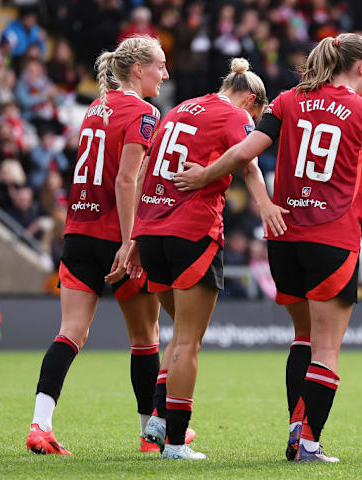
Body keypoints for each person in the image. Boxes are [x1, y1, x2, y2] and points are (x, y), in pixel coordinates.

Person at [174, 33, 362, 463]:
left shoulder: (286, 101)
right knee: (326, 347)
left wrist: (203, 174)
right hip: (332, 237)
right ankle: (306, 442)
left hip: (284, 237)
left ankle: (295, 433)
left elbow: (242, 152)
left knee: (302, 337)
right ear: (361, 66)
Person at [25, 35, 169, 455]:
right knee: (145, 338)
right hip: (113, 236)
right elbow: (126, 180)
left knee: (70, 332)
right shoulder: (144, 112)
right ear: (138, 68)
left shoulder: (96, 106)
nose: (165, 73)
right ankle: (149, 436)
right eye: (160, 64)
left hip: (77, 231)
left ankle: (40, 425)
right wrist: (130, 242)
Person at [129, 57, 280, 460]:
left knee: (179, 334)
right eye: (257, 115)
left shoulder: (179, 108)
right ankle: (176, 443)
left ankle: (160, 419)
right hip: (192, 230)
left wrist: (133, 236)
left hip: (152, 231)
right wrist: (264, 207)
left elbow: (144, 170)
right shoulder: (234, 115)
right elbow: (249, 166)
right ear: (251, 100)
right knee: (189, 342)